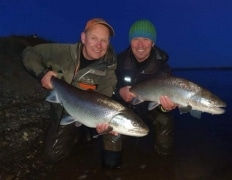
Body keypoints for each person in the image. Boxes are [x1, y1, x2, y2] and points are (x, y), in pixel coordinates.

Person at [21, 18, 117, 163]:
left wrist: (103, 127)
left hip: (86, 115)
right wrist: (42, 73)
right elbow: (29, 53)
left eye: (104, 40)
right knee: (53, 155)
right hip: (60, 109)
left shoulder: (108, 74)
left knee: (110, 130)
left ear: (108, 43)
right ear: (83, 38)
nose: (99, 45)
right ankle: (79, 136)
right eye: (94, 38)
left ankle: (85, 132)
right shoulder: (63, 52)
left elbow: (103, 104)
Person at [99, 19, 177, 169]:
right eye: (136, 39)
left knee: (165, 119)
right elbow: (106, 86)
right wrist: (118, 91)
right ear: (130, 41)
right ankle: (111, 167)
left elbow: (163, 106)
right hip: (124, 106)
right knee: (111, 124)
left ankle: (164, 163)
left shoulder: (162, 66)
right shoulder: (118, 61)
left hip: (150, 107)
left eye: (146, 39)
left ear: (153, 43)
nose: (140, 45)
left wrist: (165, 107)